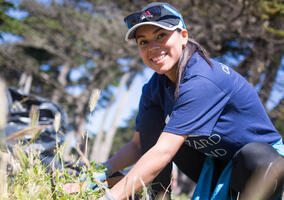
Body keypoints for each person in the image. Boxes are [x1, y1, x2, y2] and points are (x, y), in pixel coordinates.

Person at [99, 2, 284, 200]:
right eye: (143, 42)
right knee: (160, 131)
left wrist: (108, 198)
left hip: (263, 166)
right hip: (217, 163)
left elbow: (163, 151)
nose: (153, 47)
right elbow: (138, 146)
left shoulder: (202, 80)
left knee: (254, 155)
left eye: (161, 35)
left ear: (184, 36)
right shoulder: (154, 88)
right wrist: (97, 174)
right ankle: (159, 196)